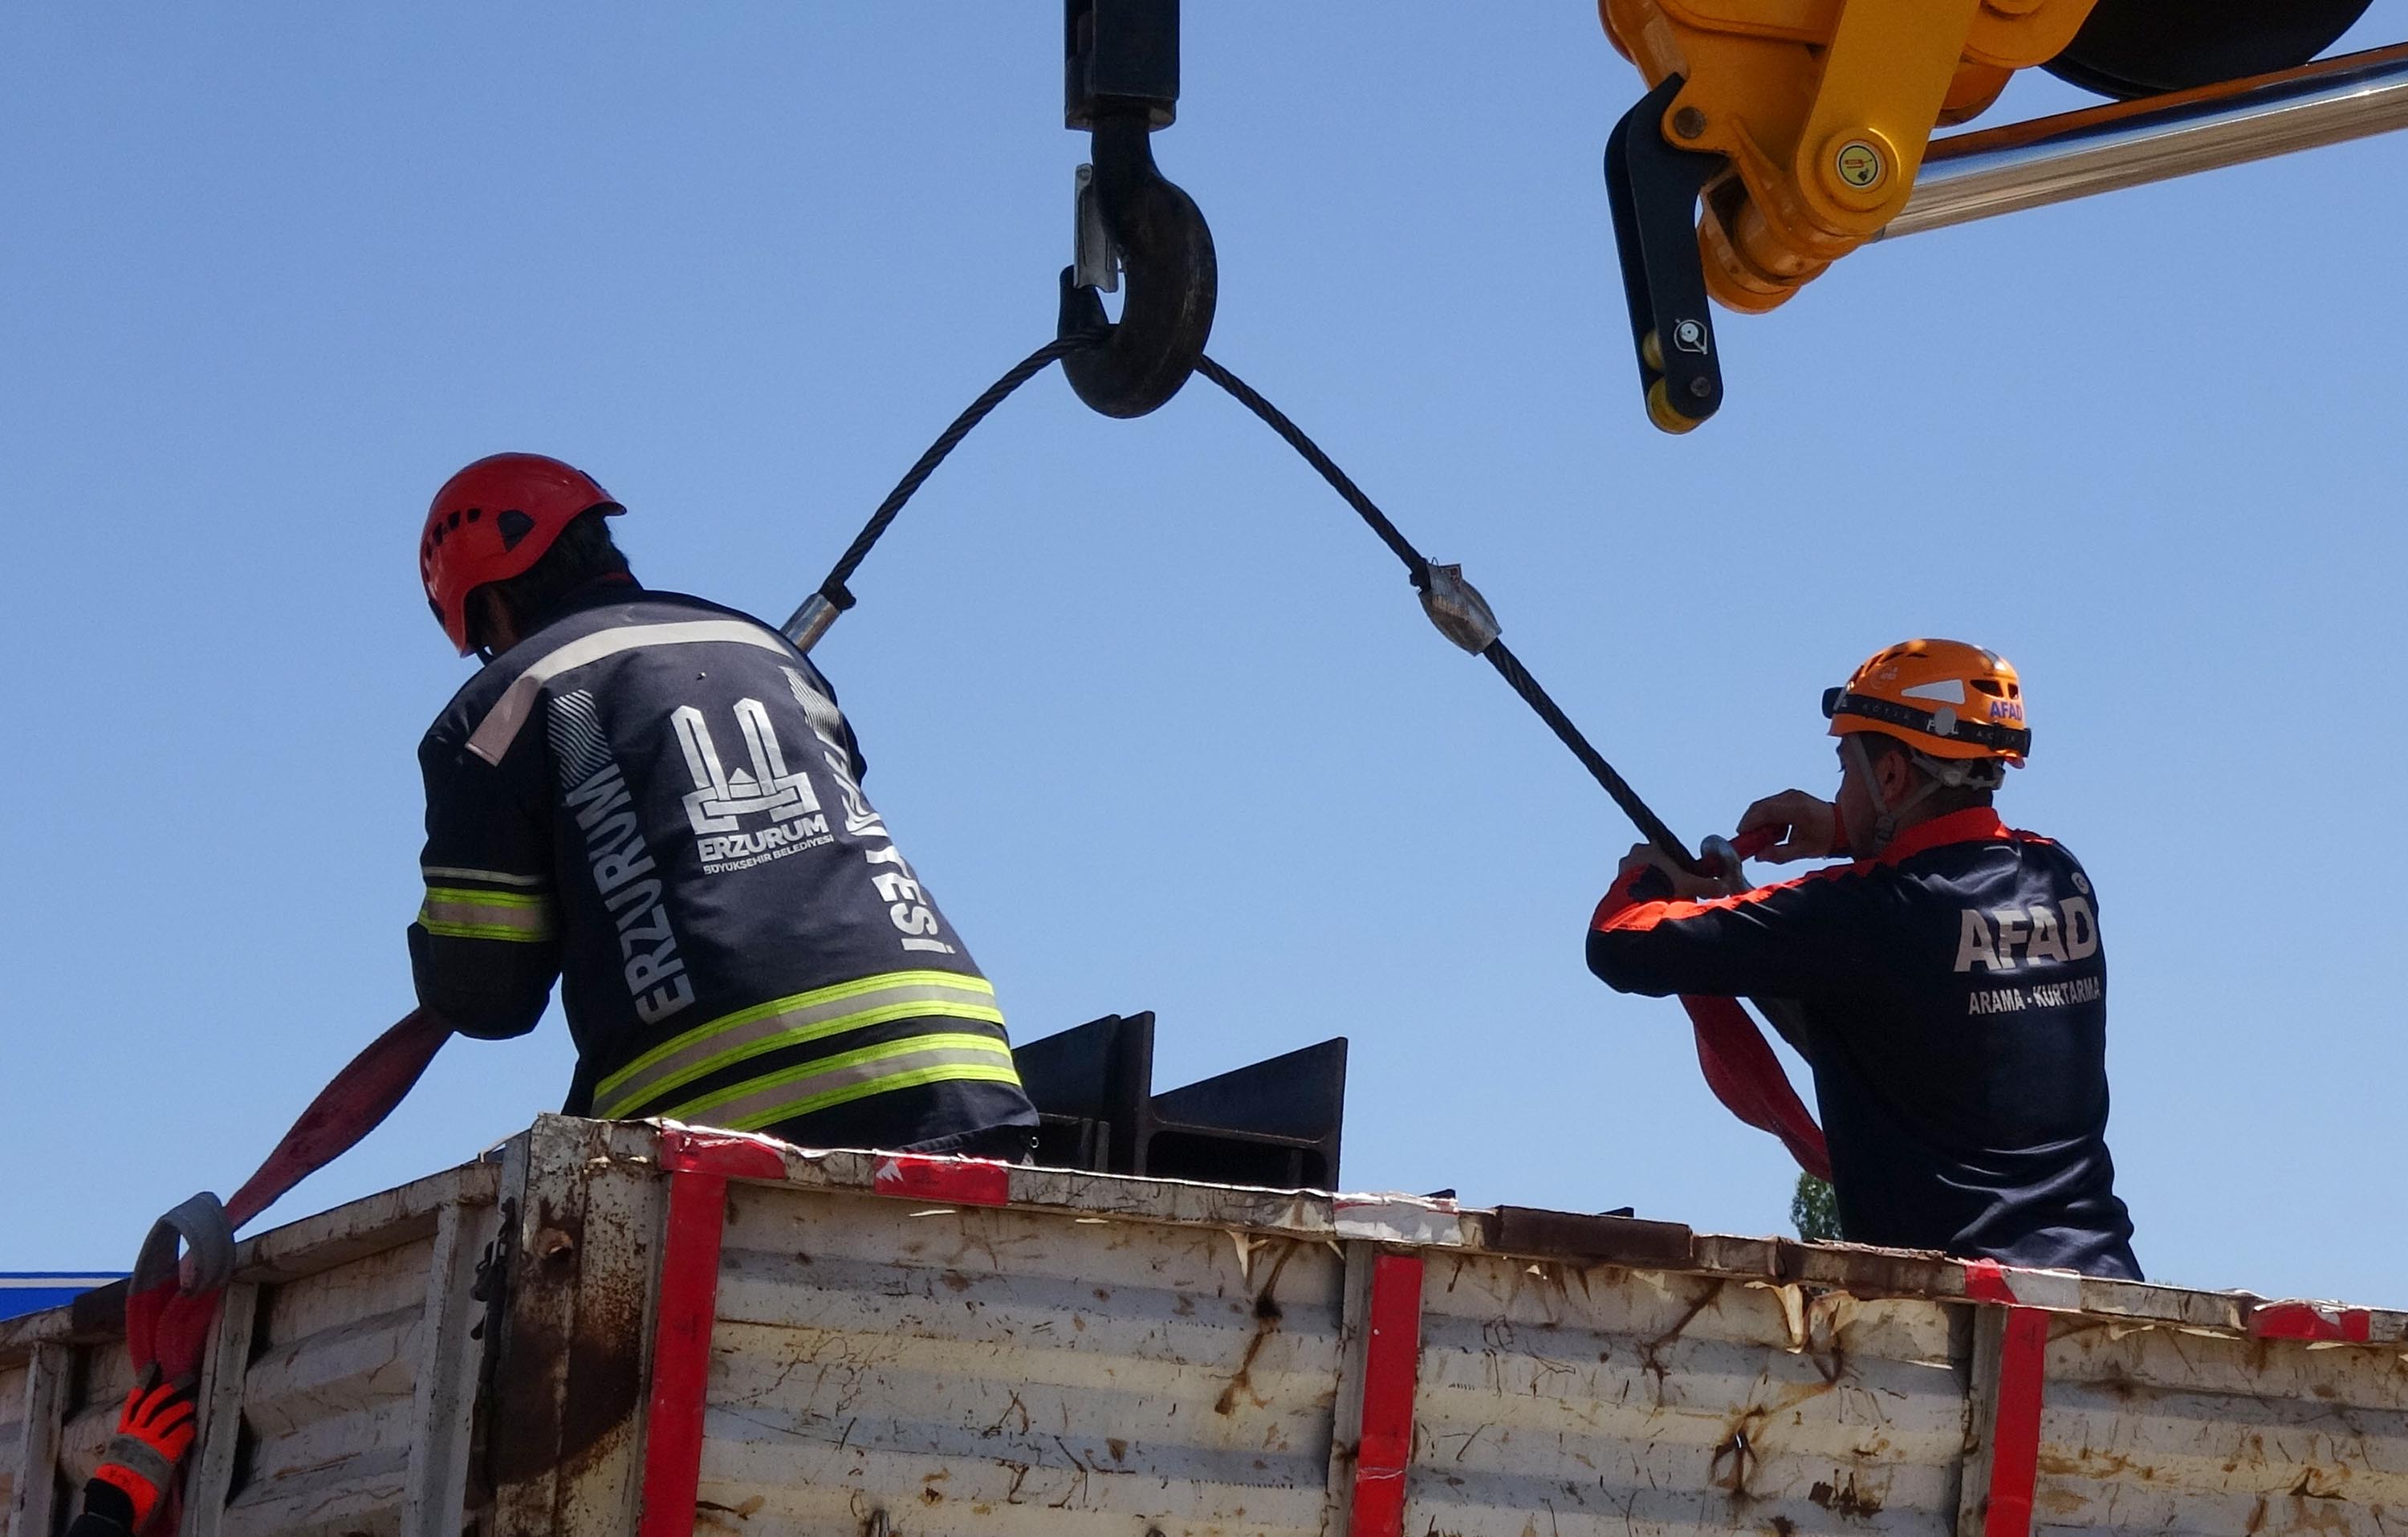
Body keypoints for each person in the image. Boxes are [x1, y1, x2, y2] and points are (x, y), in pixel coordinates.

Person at [409, 452, 1039, 1159]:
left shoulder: (493, 712)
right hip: (958, 1068)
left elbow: (486, 993)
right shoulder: (767, 648)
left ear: (488, 604)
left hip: (733, 1116)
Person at [1586, 639, 2140, 1278]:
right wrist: (1847, 826)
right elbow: (1940, 907)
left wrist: (1649, 881)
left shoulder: (1865, 914)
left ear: (1895, 777)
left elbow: (1620, 942)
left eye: (1847, 768)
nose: (1841, 786)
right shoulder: (2060, 875)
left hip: (1955, 1314)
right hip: (2103, 1281)